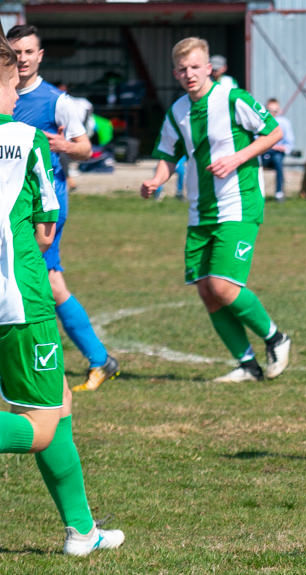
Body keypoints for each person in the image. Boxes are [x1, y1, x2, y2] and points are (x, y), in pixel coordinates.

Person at [0, 28, 125, 556]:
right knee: (44, 425)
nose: (17, 93)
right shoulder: (26, 141)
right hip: (19, 301)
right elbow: (47, 229)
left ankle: (82, 529)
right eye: (11, 85)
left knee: (62, 401)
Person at [140, 37, 292, 383]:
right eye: (182, 69)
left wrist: (237, 158)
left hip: (239, 205)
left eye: (195, 67)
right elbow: (168, 154)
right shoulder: (178, 111)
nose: (189, 74)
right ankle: (247, 365)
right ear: (175, 73)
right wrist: (155, 180)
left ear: (209, 68)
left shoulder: (233, 98)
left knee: (222, 285)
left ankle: (276, 338)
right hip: (200, 211)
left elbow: (273, 132)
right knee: (207, 291)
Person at [7, 24, 120, 392]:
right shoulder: (4, 93)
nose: (22, 58)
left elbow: (86, 148)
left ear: (40, 56)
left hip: (45, 205)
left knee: (48, 282)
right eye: (16, 51)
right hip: (13, 204)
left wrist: (63, 146)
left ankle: (97, 359)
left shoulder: (57, 101)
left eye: (28, 52)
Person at [260, 98, 295, 202]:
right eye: (269, 110)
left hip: (277, 153)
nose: (272, 113)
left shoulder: (283, 123)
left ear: (279, 110)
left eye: (275, 111)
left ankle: (279, 192)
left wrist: (278, 147)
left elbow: (289, 142)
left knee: (277, 160)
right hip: (263, 152)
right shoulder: (261, 121)